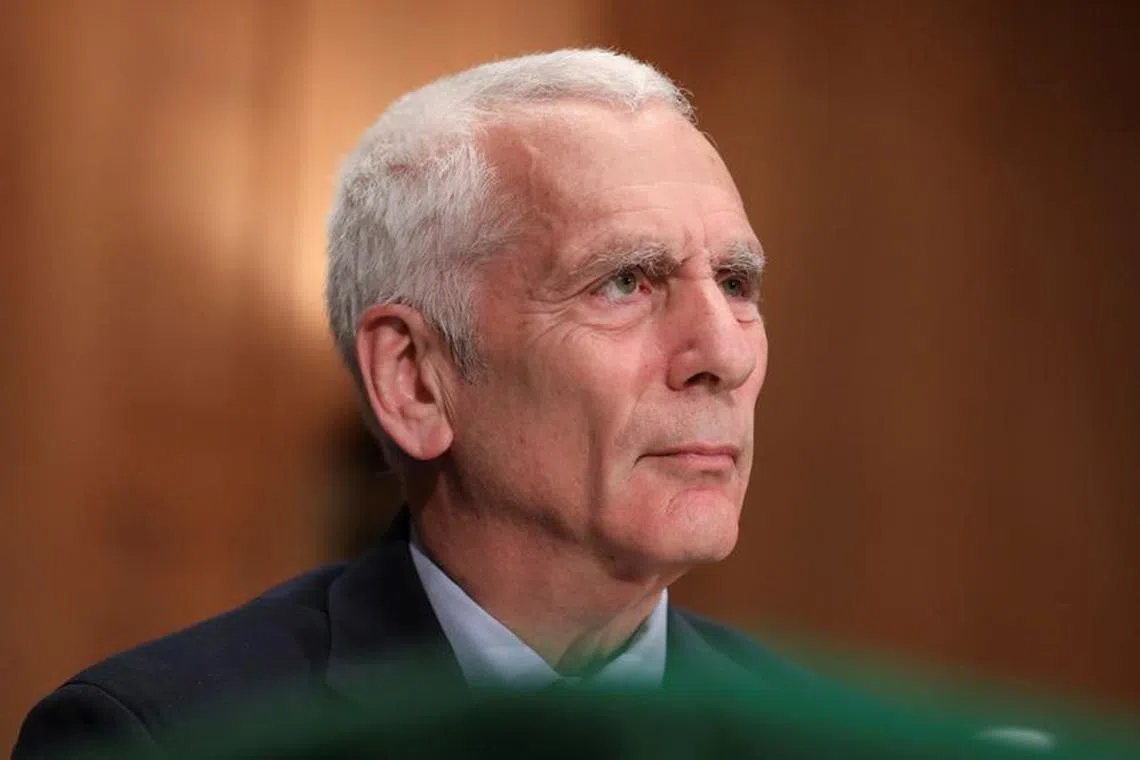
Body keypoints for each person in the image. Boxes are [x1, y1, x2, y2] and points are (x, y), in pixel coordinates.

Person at [13, 48, 801, 759]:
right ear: (414, 380)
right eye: (625, 281)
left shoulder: (814, 732)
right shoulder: (163, 738)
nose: (726, 355)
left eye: (735, 283)